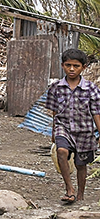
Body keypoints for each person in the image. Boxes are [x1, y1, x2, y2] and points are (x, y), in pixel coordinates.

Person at [46, 48, 100, 204]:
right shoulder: (56, 88)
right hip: (64, 128)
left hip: (84, 132)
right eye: (68, 65)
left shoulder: (91, 89)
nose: (71, 69)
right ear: (63, 65)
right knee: (61, 151)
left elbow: (97, 113)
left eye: (76, 66)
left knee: (80, 165)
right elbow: (55, 112)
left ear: (83, 67)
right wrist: (53, 132)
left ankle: (81, 194)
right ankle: (69, 189)